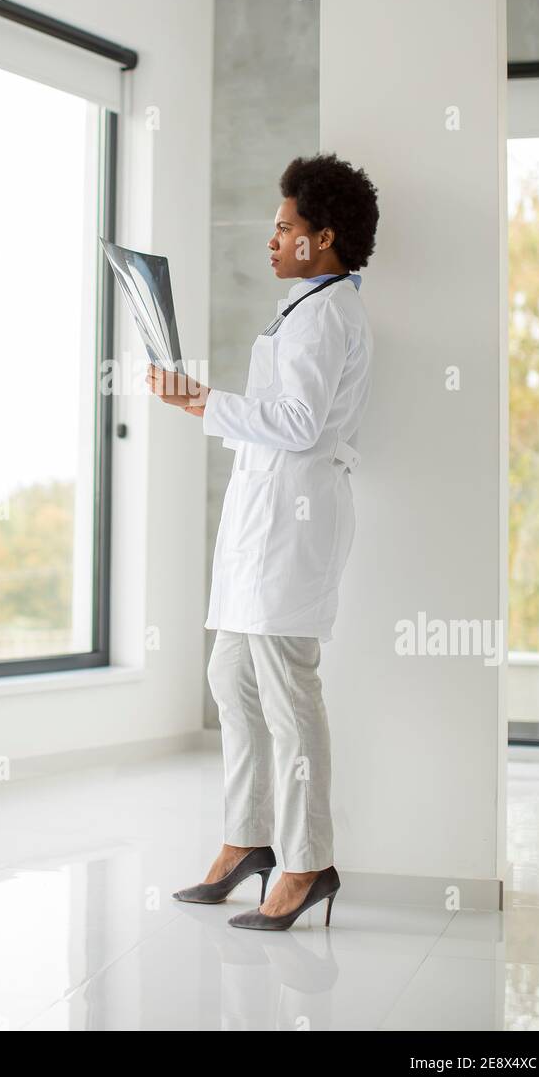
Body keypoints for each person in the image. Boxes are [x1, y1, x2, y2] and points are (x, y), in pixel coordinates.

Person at [146, 152, 379, 931]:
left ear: (325, 236)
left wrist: (202, 401)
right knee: (232, 679)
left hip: (295, 527)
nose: (272, 240)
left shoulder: (328, 314)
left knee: (287, 694)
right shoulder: (308, 306)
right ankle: (248, 841)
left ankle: (307, 861)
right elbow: (279, 423)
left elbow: (300, 425)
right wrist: (203, 406)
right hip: (268, 523)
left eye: (286, 228)